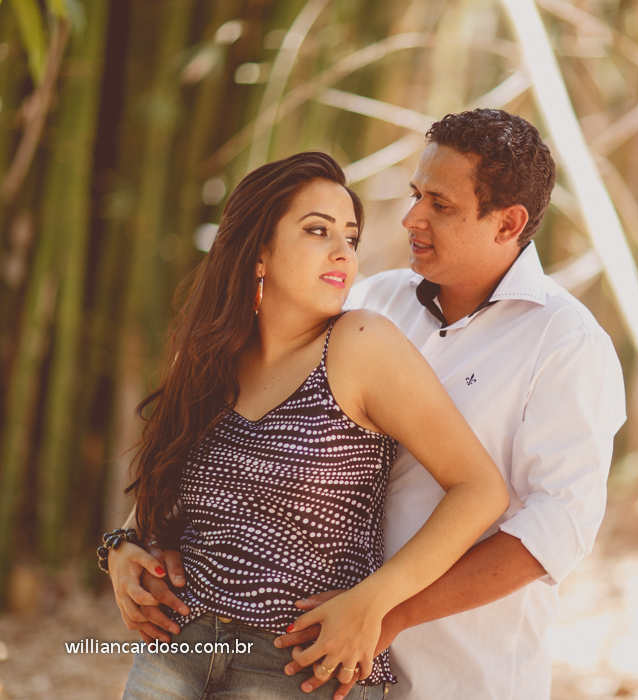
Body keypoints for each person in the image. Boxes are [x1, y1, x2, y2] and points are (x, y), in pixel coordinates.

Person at [123, 109, 626, 700]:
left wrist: (387, 611)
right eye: (416, 194)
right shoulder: (374, 301)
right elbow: (247, 429)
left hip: (461, 671)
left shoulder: (565, 342)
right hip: (318, 652)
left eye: (440, 204)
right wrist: (130, 543)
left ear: (508, 222)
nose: (412, 217)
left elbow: (555, 528)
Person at [104, 151, 509, 699]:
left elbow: (480, 489)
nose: (343, 252)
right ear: (259, 251)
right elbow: (163, 482)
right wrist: (124, 545)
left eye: (351, 237)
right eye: (318, 230)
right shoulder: (208, 358)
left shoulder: (360, 344)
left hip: (300, 664)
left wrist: (375, 601)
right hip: (175, 651)